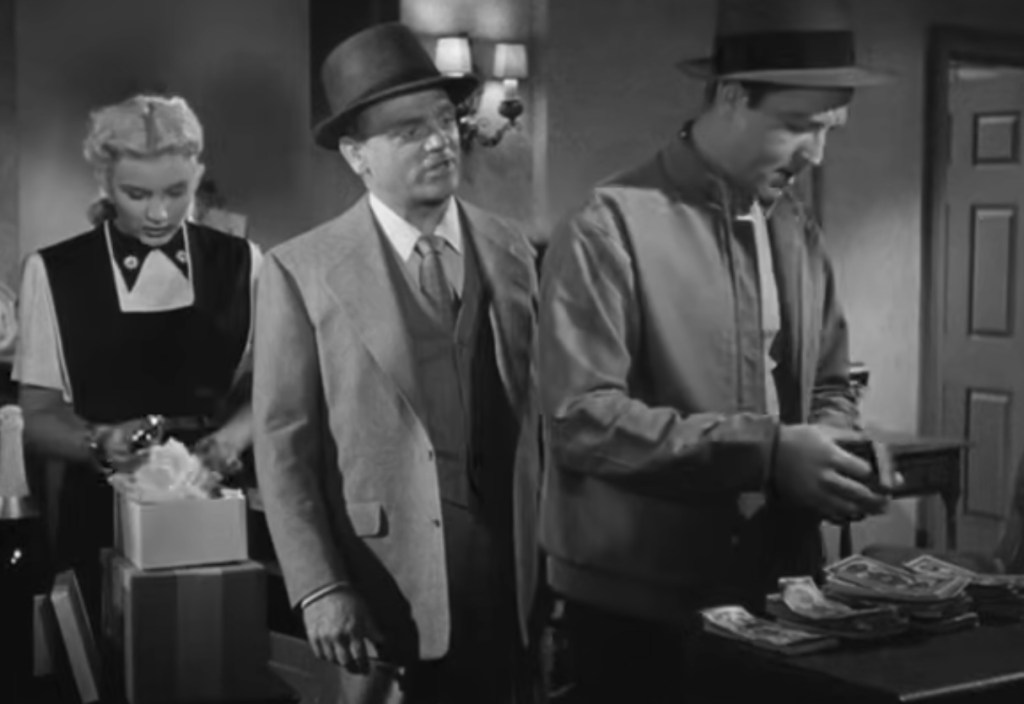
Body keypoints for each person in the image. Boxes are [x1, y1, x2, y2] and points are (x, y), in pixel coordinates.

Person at [536, 0, 895, 701]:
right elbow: (582, 421)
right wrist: (769, 453)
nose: (816, 154)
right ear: (731, 96)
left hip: (778, 590)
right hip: (640, 603)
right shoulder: (606, 227)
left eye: (829, 128)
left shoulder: (797, 228)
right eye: (798, 124)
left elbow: (830, 381)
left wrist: (833, 452)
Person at [252, 22, 539, 704]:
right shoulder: (301, 270)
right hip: (379, 580)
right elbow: (283, 446)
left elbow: (539, 418)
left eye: (443, 120)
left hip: (509, 576)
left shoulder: (512, 247)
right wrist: (320, 587)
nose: (440, 141)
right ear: (358, 155)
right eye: (409, 131)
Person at [14, 94, 261, 622]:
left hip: (210, 501)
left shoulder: (243, 262)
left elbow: (271, 389)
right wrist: (99, 442)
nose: (159, 213)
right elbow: (37, 417)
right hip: (97, 506)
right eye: (137, 194)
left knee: (212, 642)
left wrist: (232, 439)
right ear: (106, 185)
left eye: (176, 191)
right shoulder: (53, 271)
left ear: (198, 175)